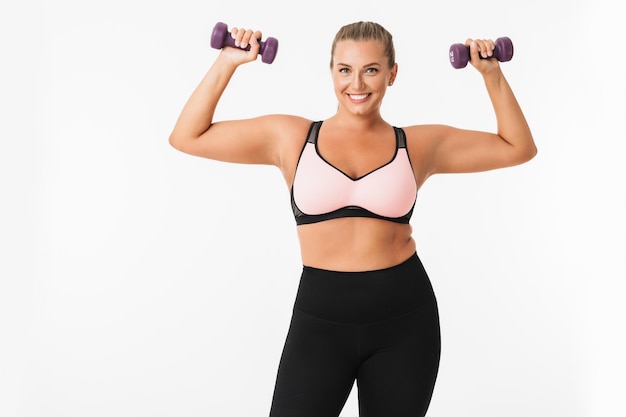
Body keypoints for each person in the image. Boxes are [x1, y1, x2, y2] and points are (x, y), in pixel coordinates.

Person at [169, 21, 536, 417]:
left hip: (405, 322)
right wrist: (228, 61)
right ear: (331, 72)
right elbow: (187, 136)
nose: (356, 83)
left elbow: (518, 147)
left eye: (371, 70)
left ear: (392, 74)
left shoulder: (418, 144)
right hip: (319, 321)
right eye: (344, 69)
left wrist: (492, 74)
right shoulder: (290, 137)